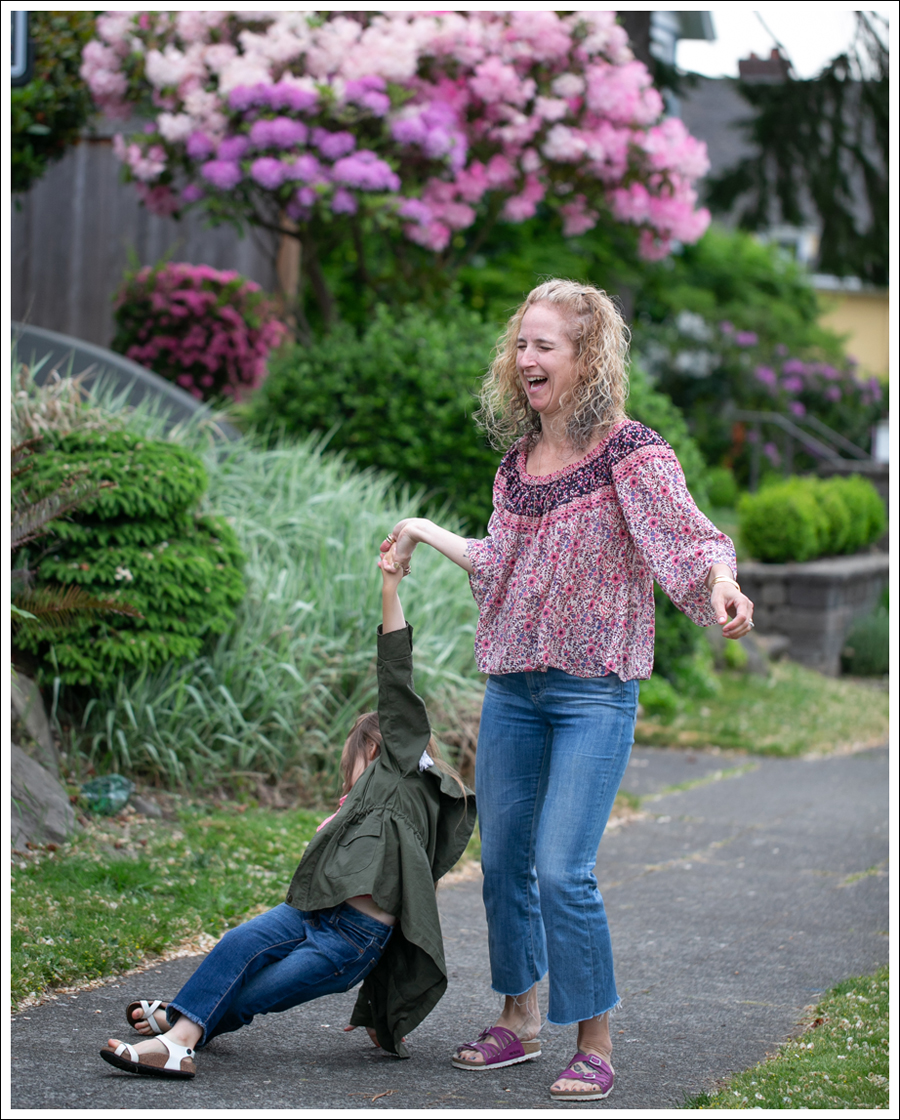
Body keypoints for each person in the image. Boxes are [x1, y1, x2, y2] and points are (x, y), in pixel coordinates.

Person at [380, 279, 754, 1102]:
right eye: (521, 344)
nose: (526, 358)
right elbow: (499, 564)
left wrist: (721, 584)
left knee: (561, 870)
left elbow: (687, 541)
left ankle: (594, 1040)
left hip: (594, 694)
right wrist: (418, 530)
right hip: (514, 689)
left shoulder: (631, 453)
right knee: (504, 864)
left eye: (544, 345)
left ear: (587, 358)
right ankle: (518, 1020)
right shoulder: (516, 467)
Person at [100, 546, 475, 1078]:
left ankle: (177, 1026)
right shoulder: (358, 808)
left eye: (352, 763)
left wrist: (390, 588)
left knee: (256, 993)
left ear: (377, 748)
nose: (349, 777)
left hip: (351, 939)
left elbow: (396, 674)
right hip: (309, 912)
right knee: (238, 945)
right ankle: (178, 1041)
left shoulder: (396, 774)